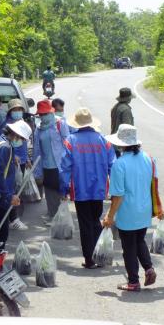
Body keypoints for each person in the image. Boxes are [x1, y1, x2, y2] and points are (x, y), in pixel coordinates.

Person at [102, 124, 164, 291]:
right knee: (139, 240)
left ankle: (133, 281)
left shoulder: (119, 164)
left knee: (129, 246)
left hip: (127, 212)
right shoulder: (149, 158)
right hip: (144, 210)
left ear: (121, 144)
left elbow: (118, 195)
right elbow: (154, 185)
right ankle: (149, 268)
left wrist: (109, 215)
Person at [60, 108, 116, 269]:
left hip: (80, 189)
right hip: (99, 188)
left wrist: (63, 189)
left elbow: (64, 167)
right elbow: (113, 165)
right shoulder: (103, 140)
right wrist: (115, 189)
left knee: (85, 224)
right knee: (96, 221)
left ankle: (89, 259)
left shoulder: (71, 140)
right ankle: (99, 256)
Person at [0, 120, 32, 247]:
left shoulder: (3, 142)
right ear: (15, 134)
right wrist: (8, 195)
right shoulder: (4, 147)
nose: (22, 142)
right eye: (22, 138)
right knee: (0, 233)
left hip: (0, 194)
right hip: (0, 196)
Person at [33, 100, 69, 221]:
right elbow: (37, 150)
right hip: (46, 165)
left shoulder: (60, 124)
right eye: (41, 115)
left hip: (60, 165)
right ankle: (52, 214)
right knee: (49, 191)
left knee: (61, 191)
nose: (42, 117)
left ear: (51, 112)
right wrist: (37, 171)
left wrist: (69, 164)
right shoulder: (38, 129)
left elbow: (67, 144)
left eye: (44, 114)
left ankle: (60, 216)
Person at [0, 98, 31, 231]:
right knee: (11, 190)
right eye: (15, 110)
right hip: (11, 162)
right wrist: (13, 157)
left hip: (22, 161)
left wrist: (27, 157)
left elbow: (24, 144)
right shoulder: (7, 125)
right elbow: (6, 145)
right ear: (10, 111)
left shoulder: (22, 123)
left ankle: (13, 217)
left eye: (20, 109)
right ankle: (13, 218)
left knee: (17, 189)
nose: (18, 112)